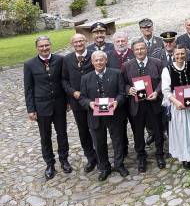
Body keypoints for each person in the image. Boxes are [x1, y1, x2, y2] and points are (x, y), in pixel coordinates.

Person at [24, 36, 71, 180]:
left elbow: (65, 81)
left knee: (62, 134)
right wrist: (31, 109)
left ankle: (64, 160)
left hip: (59, 104)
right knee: (45, 137)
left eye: (46, 45)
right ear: (37, 48)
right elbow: (29, 88)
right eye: (41, 46)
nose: (44, 48)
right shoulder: (29, 64)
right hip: (41, 106)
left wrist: (68, 101)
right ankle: (50, 163)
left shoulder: (60, 60)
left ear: (50, 45)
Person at [79, 51, 127, 181]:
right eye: (96, 60)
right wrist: (90, 103)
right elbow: (82, 98)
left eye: (101, 60)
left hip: (114, 114)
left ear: (106, 61)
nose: (99, 62)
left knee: (117, 141)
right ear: (92, 62)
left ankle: (119, 164)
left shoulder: (116, 73)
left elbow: (122, 93)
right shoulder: (85, 78)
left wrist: (117, 101)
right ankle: (104, 167)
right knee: (99, 144)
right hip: (95, 116)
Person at [122, 40, 166, 173]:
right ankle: (141, 157)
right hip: (137, 105)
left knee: (158, 131)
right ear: (133, 51)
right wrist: (128, 89)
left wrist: (157, 92)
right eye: (137, 49)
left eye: (142, 48)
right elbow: (122, 83)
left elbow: (163, 81)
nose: (140, 51)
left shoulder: (157, 63)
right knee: (138, 133)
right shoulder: (127, 66)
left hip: (154, 103)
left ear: (146, 49)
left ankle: (160, 154)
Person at [161, 44, 190, 169]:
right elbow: (165, 90)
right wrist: (175, 102)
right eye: (177, 54)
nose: (180, 56)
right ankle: (186, 157)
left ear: (185, 54)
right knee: (182, 129)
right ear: (173, 55)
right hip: (177, 102)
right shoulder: (168, 69)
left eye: (182, 54)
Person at [61, 34, 97, 173]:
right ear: (72, 44)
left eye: (81, 40)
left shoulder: (95, 55)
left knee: (97, 128)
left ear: (86, 41)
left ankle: (101, 155)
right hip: (77, 101)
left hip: (94, 100)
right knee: (83, 130)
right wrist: (72, 92)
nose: (79, 43)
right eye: (75, 42)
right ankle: (90, 157)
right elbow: (64, 80)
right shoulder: (67, 59)